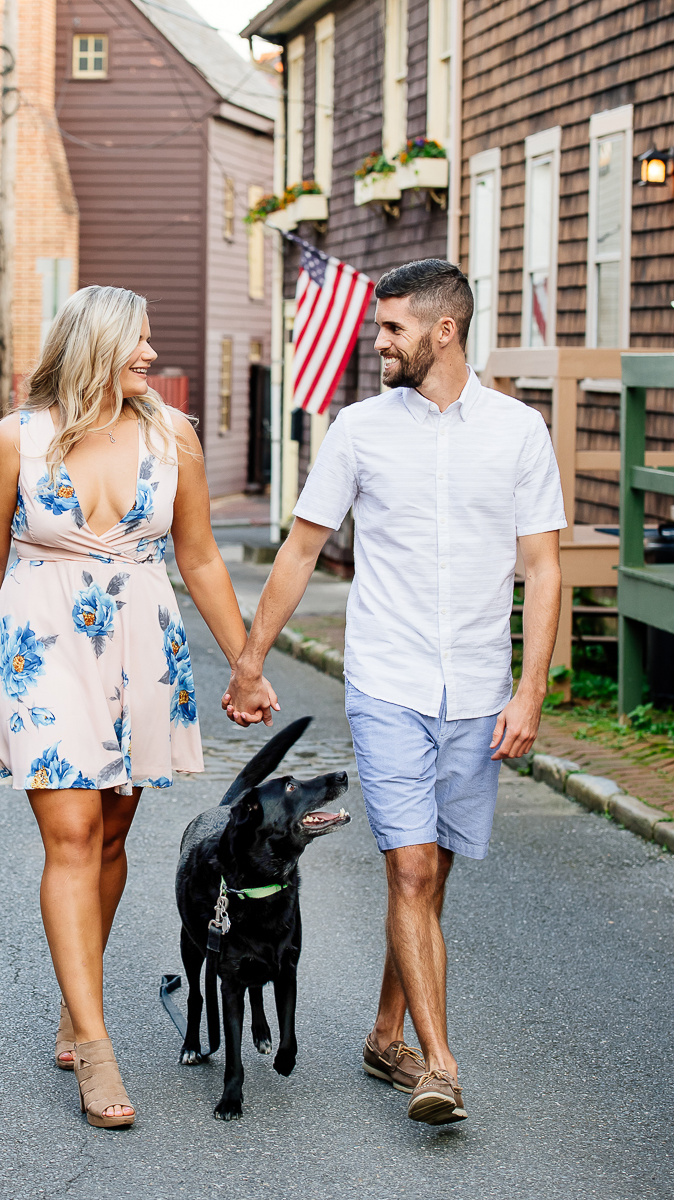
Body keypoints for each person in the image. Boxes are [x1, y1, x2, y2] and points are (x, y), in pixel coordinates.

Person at [222, 259, 565, 1126]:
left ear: (443, 331)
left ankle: (385, 1034)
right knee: (409, 865)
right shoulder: (359, 431)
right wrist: (251, 659)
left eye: (393, 329)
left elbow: (544, 567)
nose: (379, 342)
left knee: (430, 875)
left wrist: (530, 693)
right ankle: (439, 1066)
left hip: (479, 686)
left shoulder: (519, 433)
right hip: (388, 680)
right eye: (377, 326)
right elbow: (301, 550)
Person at [0, 285, 275, 1128]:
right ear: (97, 345)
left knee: (111, 831)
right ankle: (96, 1052)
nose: (151, 353)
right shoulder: (14, 442)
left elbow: (202, 558)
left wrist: (246, 663)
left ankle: (78, 997)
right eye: (140, 340)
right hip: (42, 653)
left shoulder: (172, 436)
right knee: (70, 836)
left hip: (142, 653)